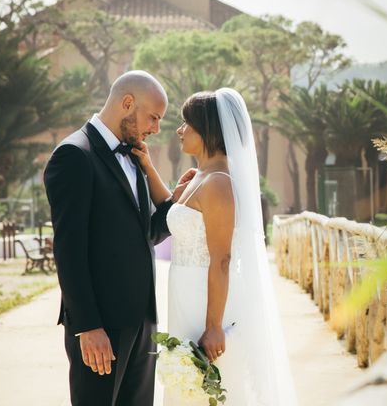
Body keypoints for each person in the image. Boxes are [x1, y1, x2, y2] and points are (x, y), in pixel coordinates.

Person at [133, 88, 298, 405]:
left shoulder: (219, 183)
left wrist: (213, 327)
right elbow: (170, 209)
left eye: (186, 124)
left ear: (208, 130)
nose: (179, 131)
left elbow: (221, 259)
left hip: (206, 300)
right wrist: (147, 165)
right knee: (187, 389)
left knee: (207, 388)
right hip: (185, 294)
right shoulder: (200, 176)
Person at [44, 70, 194, 406]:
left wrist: (175, 204)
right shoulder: (73, 156)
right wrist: (88, 327)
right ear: (127, 103)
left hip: (142, 326)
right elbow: (69, 251)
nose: (155, 128)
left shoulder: (135, 155)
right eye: (153, 117)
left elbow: (146, 233)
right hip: (102, 328)